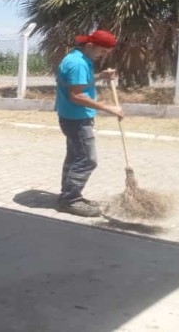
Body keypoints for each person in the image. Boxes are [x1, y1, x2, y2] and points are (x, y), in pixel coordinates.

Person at [55, 29, 124, 217]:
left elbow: (79, 83)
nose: (103, 55)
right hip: (76, 118)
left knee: (75, 158)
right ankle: (70, 201)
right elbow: (76, 95)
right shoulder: (77, 63)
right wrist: (109, 108)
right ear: (91, 45)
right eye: (102, 51)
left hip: (73, 116)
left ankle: (69, 196)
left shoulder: (80, 58)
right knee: (87, 160)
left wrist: (100, 76)